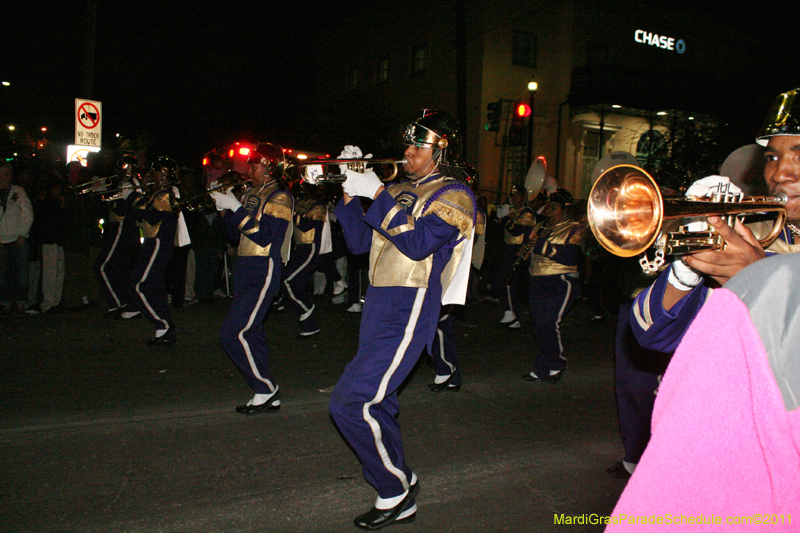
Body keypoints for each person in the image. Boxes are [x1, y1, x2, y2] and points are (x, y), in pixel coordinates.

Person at [329, 110, 476, 530]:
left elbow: (416, 245)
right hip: (378, 301)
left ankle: (394, 491)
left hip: (411, 302)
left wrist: (375, 191)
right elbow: (359, 244)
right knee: (380, 400)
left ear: (441, 148)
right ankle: (401, 477)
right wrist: (348, 191)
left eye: (418, 145)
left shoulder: (456, 194)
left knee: (352, 401)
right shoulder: (397, 189)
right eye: (407, 144)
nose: (407, 152)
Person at [607, 252, 800, 531]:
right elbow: (652, 332)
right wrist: (685, 273)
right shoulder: (745, 229)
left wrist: (764, 279)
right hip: (714, 415)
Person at [630, 87, 800, 356]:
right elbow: (652, 335)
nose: (779, 174)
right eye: (772, 158)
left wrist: (758, 282)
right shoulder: (748, 235)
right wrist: (684, 275)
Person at [211, 143, 293, 415]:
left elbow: (264, 235)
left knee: (234, 332)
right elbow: (234, 235)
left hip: (263, 267)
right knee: (252, 332)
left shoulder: (280, 197)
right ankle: (264, 392)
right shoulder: (250, 193)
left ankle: (266, 388)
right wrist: (224, 208)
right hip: (245, 265)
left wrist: (235, 207)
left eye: (255, 163)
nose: (249, 168)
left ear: (271, 168)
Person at [522, 188, 585, 383]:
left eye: (555, 207)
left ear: (565, 209)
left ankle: (557, 363)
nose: (550, 210)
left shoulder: (575, 228)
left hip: (560, 280)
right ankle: (543, 367)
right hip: (537, 279)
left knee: (548, 324)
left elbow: (571, 257)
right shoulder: (540, 226)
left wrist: (544, 247)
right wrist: (524, 253)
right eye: (549, 206)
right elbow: (530, 253)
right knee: (539, 326)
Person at [124, 159, 179, 345]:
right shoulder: (158, 193)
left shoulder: (165, 195)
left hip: (157, 243)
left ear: (163, 175)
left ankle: (162, 324)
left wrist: (134, 197)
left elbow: (155, 218)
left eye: (155, 173)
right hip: (153, 243)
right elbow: (139, 216)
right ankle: (163, 329)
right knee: (155, 287)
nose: (152, 176)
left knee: (136, 285)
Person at [95, 156, 142, 319]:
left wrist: (112, 196)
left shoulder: (133, 183)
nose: (118, 171)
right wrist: (102, 194)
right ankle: (124, 304)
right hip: (116, 231)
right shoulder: (119, 183)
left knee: (102, 266)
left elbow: (126, 208)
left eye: (121, 167)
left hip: (123, 231)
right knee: (117, 270)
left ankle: (119, 304)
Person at [282, 182, 326, 337]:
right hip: (299, 248)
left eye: (303, 189)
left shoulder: (319, 206)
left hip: (311, 247)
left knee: (288, 282)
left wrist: (292, 213)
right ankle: (310, 324)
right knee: (296, 285)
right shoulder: (301, 204)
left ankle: (307, 310)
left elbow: (307, 225)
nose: (300, 192)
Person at [494, 184, 537, 329]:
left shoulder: (526, 213)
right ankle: (511, 312)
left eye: (518, 196)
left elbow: (516, 231)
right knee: (506, 282)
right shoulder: (516, 211)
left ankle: (512, 313)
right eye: (513, 196)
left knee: (506, 282)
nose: (515, 198)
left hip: (518, 250)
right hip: (509, 249)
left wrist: (505, 218)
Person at [0, 163, 34, 317]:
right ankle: (5, 304)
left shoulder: (17, 191)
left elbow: (28, 213)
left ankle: (20, 304)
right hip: (1, 240)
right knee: (3, 275)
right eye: (4, 174)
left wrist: (22, 234)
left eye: (9, 174)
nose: (7, 177)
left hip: (18, 240)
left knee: (21, 275)